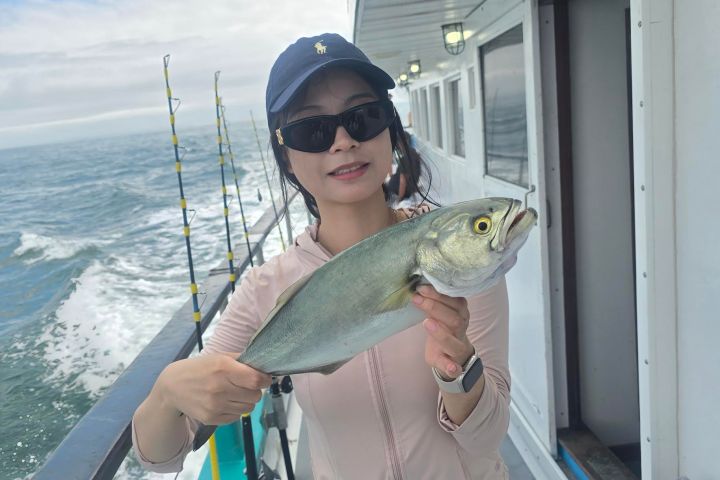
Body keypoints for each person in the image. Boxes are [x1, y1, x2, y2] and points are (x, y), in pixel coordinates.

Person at [132, 33, 511, 479]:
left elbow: (488, 437)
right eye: (312, 130)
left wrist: (457, 370)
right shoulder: (264, 289)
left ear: (390, 129)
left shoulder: (454, 251)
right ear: (287, 156)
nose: (342, 141)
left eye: (363, 117)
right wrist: (167, 395)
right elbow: (160, 457)